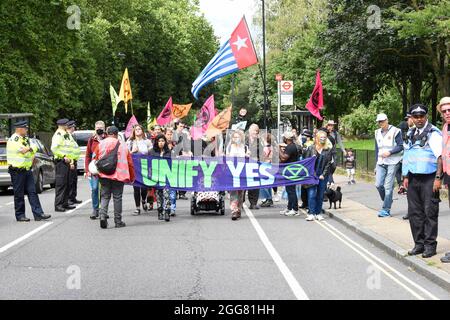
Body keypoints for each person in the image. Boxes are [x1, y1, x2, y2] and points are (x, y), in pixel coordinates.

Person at [402, 104, 442, 259]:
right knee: (414, 213)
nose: (419, 119)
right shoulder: (410, 133)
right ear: (412, 118)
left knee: (429, 212)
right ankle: (418, 244)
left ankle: (430, 245)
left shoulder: (433, 134)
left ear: (426, 117)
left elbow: (440, 158)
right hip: (413, 178)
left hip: (430, 178)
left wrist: (438, 179)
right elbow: (407, 155)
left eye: (421, 116)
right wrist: (405, 177)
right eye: (416, 117)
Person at [6, 121, 51, 222]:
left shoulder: (25, 139)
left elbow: (33, 150)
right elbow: (23, 151)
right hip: (17, 171)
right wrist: (31, 149)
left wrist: (30, 149)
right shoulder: (14, 139)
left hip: (27, 170)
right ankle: (20, 215)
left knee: (32, 192)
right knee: (19, 194)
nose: (26, 130)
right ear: (19, 129)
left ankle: (38, 214)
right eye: (25, 129)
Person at [94, 126, 135, 229]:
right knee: (117, 197)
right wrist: (132, 176)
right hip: (119, 175)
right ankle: (118, 221)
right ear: (117, 134)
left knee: (104, 196)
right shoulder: (123, 145)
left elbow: (95, 158)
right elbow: (130, 162)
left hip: (104, 174)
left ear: (107, 133)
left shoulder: (101, 144)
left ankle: (103, 216)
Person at [374, 113, 404, 218]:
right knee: (378, 185)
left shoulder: (396, 131)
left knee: (388, 186)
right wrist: (375, 164)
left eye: (382, 121)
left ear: (387, 120)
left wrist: (390, 152)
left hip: (393, 161)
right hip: (381, 162)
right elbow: (377, 149)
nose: (380, 123)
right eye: (379, 121)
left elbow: (401, 146)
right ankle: (388, 199)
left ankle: (386, 209)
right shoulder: (377, 132)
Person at [303, 130, 333, 221]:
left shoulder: (328, 150)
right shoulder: (311, 148)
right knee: (312, 194)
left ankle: (318, 213)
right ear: (317, 138)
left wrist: (323, 175)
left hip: (323, 175)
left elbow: (328, 164)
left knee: (320, 195)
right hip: (312, 174)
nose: (323, 139)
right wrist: (313, 174)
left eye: (324, 138)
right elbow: (307, 161)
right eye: (321, 137)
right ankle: (311, 213)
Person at [127, 124, 152, 216]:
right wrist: (132, 151)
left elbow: (151, 153)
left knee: (144, 187)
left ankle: (143, 200)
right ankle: (137, 208)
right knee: (136, 187)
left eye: (139, 129)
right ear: (133, 131)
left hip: (144, 166)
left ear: (142, 131)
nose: (137, 130)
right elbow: (125, 154)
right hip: (134, 167)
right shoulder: (130, 142)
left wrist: (144, 152)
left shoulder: (147, 142)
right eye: (136, 129)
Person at [51, 119, 76, 212]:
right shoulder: (58, 135)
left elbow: (68, 149)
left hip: (67, 162)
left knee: (67, 183)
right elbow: (54, 148)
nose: (67, 126)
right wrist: (64, 156)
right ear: (62, 125)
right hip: (61, 162)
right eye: (66, 124)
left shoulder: (64, 134)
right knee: (61, 184)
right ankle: (58, 205)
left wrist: (71, 161)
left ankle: (65, 203)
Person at [437, 97, 450, 263]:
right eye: (444, 110)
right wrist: (440, 176)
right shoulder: (445, 127)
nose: (447, 113)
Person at [85, 121, 107, 219]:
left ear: (104, 128)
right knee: (94, 189)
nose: (99, 129)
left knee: (104, 190)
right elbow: (87, 156)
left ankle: (103, 210)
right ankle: (95, 210)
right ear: (94, 128)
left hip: (105, 168)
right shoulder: (91, 140)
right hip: (94, 169)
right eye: (97, 127)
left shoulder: (108, 139)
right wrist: (87, 170)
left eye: (101, 127)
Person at [226, 130, 248, 220]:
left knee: (240, 192)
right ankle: (234, 210)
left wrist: (247, 156)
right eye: (234, 137)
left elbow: (249, 157)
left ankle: (238, 208)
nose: (236, 139)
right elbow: (226, 158)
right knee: (233, 192)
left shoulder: (245, 147)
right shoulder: (229, 147)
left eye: (237, 137)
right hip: (232, 172)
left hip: (242, 172)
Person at [149, 134, 172, 222]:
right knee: (159, 195)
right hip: (156, 176)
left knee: (167, 195)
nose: (161, 143)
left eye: (162, 141)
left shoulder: (168, 151)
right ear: (156, 142)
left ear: (165, 142)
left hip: (166, 176)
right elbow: (149, 164)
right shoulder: (152, 151)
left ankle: (167, 212)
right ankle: (160, 211)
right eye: (159, 141)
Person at [279, 132, 300, 217]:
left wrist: (279, 150)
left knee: (291, 190)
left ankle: (295, 209)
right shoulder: (290, 146)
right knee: (289, 190)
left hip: (291, 171)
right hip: (289, 171)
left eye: (284, 137)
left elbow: (284, 158)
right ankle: (289, 207)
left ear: (287, 139)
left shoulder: (291, 147)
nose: (283, 139)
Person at [246, 124, 263, 209]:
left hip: (255, 165)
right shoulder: (243, 139)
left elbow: (261, 153)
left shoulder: (259, 141)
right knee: (243, 183)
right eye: (254, 130)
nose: (255, 132)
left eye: (257, 131)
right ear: (249, 130)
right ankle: (240, 202)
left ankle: (253, 203)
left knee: (255, 184)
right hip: (244, 164)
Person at [396, 113, 414, 197]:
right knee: (399, 167)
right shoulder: (402, 126)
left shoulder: (414, 128)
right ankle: (401, 185)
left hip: (408, 152)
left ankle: (403, 185)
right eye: (409, 119)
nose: (411, 121)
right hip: (401, 150)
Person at [66, 120, 82, 205]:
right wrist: (71, 162)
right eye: (73, 127)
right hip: (70, 161)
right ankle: (69, 198)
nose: (74, 129)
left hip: (74, 160)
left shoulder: (73, 136)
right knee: (70, 181)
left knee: (74, 180)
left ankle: (73, 197)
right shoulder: (67, 136)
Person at [325, 120, 345, 186]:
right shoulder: (324, 132)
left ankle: (329, 176)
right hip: (326, 152)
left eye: (332, 125)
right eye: (330, 125)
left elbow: (340, 142)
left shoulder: (336, 133)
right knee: (328, 166)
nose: (331, 126)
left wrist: (344, 150)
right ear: (327, 125)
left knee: (334, 166)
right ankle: (330, 180)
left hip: (333, 152)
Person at [260, 133, 276, 208]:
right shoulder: (271, 147)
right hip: (269, 166)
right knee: (268, 184)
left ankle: (268, 199)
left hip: (265, 166)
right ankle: (268, 199)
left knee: (264, 184)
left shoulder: (266, 148)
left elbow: (264, 157)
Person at [165, 128, 178, 216]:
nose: (169, 136)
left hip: (173, 170)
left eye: (171, 134)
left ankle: (173, 208)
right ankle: (165, 207)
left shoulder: (176, 145)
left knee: (173, 190)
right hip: (164, 169)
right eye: (168, 134)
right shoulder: (161, 144)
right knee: (165, 190)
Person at [300, 129, 314, 209]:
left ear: (308, 137)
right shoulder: (305, 144)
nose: (302, 137)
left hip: (308, 168)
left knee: (307, 187)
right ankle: (305, 203)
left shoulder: (310, 145)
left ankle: (308, 203)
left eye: (304, 135)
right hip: (304, 167)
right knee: (303, 187)